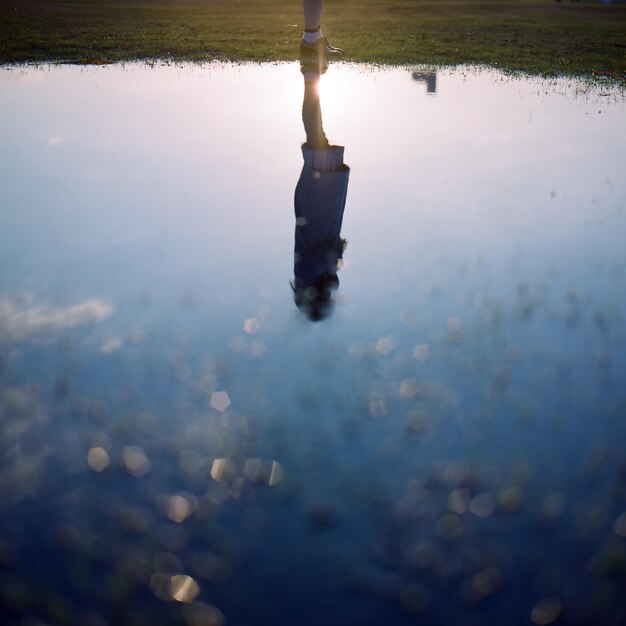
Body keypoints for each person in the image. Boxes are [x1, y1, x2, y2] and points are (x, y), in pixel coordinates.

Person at [292, 65, 350, 321]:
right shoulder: (316, 275)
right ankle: (311, 78)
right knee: (316, 133)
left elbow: (327, 251)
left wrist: (338, 252)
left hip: (319, 197)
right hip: (322, 199)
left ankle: (311, 76)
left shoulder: (306, 273)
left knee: (314, 132)